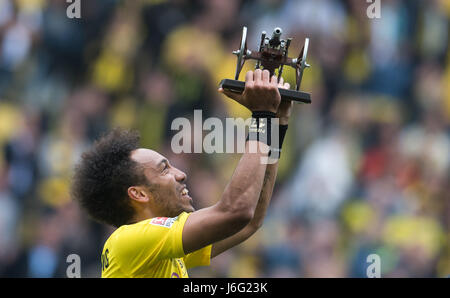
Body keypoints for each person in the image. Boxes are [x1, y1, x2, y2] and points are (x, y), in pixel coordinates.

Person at [71, 69, 293, 277]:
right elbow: (237, 211)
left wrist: (276, 123)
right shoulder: (128, 240)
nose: (181, 174)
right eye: (164, 168)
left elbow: (250, 220)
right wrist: (262, 116)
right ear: (138, 194)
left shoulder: (159, 252)